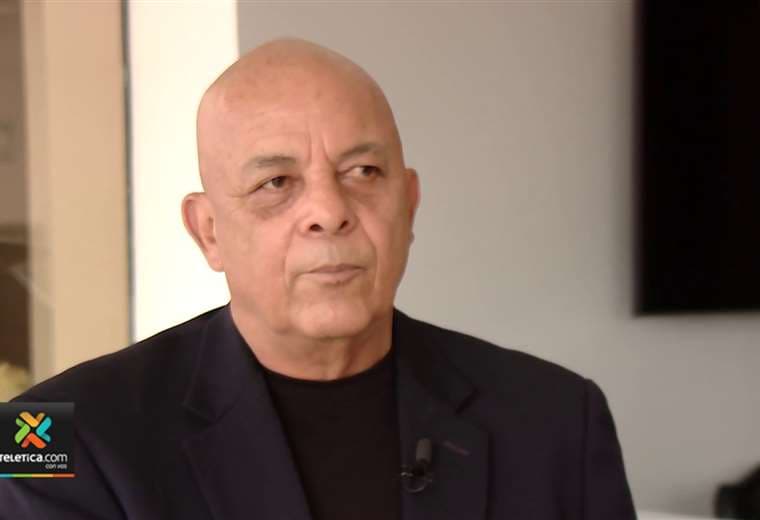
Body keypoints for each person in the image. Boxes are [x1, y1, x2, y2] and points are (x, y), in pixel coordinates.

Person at [0, 38, 636, 519]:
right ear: (209, 231)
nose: (330, 212)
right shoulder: (47, 435)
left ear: (410, 204)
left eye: (364, 173)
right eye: (276, 182)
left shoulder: (558, 417)